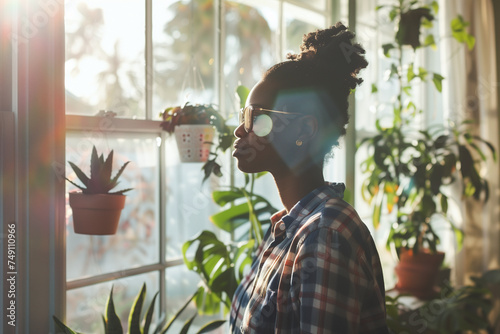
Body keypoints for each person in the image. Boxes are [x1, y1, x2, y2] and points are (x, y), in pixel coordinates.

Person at [229, 23, 389, 333]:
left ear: (304, 130)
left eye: (255, 117)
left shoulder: (326, 236)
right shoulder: (287, 226)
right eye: (242, 116)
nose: (240, 130)